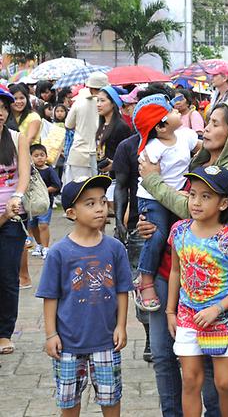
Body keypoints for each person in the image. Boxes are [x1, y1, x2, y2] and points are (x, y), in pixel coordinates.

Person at [137, 100, 228, 417]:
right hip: (171, 269)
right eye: (208, 122)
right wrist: (149, 220)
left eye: (216, 123)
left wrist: (153, 180)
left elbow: (184, 203)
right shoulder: (201, 158)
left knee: (210, 374)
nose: (207, 128)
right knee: (165, 358)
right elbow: (177, 205)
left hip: (207, 289)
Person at [35, 174, 132, 416]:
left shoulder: (115, 248)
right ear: (71, 213)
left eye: (101, 201)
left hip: (106, 340)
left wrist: (121, 326)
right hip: (68, 343)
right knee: (68, 401)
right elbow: (50, 296)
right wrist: (51, 334)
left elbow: (122, 290)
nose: (100, 208)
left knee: (111, 398)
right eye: (90, 203)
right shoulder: (59, 252)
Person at [167, 166, 228, 417]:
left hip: (223, 321)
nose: (196, 202)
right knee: (191, 382)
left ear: (223, 203)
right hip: (187, 318)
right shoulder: (179, 231)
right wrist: (170, 311)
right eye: (193, 194)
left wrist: (217, 308)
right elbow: (175, 271)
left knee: (224, 383)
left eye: (206, 196)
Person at [133, 95, 200, 311]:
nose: (177, 110)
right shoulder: (153, 148)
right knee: (158, 234)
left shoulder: (185, 136)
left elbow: (202, 148)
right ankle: (145, 279)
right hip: (152, 196)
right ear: (161, 127)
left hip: (173, 195)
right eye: (171, 110)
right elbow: (151, 176)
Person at [0, 84, 33, 355]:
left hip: (12, 217)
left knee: (8, 276)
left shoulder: (16, 137)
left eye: (2, 108)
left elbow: (23, 174)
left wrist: (17, 197)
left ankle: (4, 332)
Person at [65, 72, 109, 184]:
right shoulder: (109, 104)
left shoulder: (79, 102)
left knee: (78, 190)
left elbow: (68, 124)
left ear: (89, 87)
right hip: (101, 155)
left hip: (79, 153)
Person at [96, 86, 133, 193]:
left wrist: (115, 165)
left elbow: (127, 156)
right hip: (103, 176)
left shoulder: (121, 127)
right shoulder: (101, 125)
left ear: (113, 103)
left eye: (102, 101)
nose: (98, 104)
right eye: (97, 100)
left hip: (117, 180)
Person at [27, 144, 61, 259]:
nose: (39, 158)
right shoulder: (30, 170)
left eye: (42, 155)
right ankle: (39, 245)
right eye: (36, 155)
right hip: (32, 204)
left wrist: (42, 191)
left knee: (43, 225)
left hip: (46, 204)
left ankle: (46, 247)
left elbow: (56, 185)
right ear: (30, 157)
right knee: (33, 226)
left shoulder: (49, 170)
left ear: (46, 156)